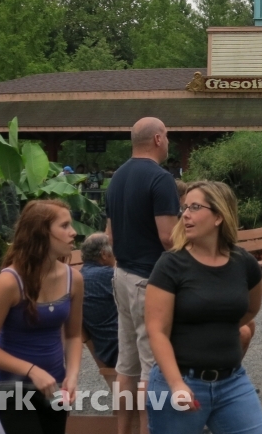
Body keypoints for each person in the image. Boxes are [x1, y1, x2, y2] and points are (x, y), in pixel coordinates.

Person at [145, 181, 262, 434]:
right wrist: (176, 384)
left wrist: (217, 329)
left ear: (219, 216)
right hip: (179, 381)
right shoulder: (170, 265)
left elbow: (251, 309)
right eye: (184, 208)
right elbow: (156, 331)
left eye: (195, 207)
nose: (185, 215)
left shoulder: (244, 263)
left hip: (233, 383)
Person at [0, 199, 84, 433]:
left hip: (53, 388)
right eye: (64, 226)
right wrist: (32, 370)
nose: (73, 232)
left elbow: (74, 335)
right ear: (40, 233)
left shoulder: (74, 279)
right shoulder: (9, 282)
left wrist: (72, 375)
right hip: (9, 388)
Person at [106, 117, 181, 434]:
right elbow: (168, 237)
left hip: (122, 275)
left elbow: (109, 236)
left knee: (127, 365)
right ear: (158, 139)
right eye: (168, 137)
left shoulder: (117, 177)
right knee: (153, 366)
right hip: (149, 280)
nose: (168, 142)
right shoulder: (160, 179)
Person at [80, 233, 118, 380]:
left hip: (106, 350)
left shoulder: (82, 276)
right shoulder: (108, 275)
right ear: (104, 254)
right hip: (121, 350)